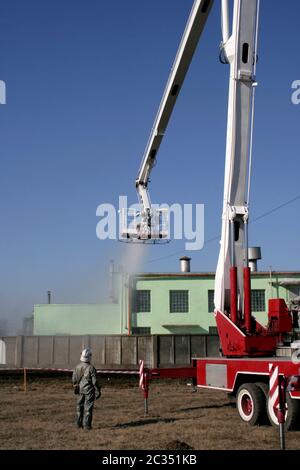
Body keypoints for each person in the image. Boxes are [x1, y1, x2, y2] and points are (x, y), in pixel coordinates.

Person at [72, 347, 101, 430]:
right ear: (89, 356)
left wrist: (75, 387)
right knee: (88, 408)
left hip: (80, 390)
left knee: (79, 407)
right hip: (89, 391)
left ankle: (78, 424)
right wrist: (98, 390)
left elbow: (74, 379)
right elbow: (95, 381)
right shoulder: (91, 368)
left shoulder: (77, 367)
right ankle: (87, 426)